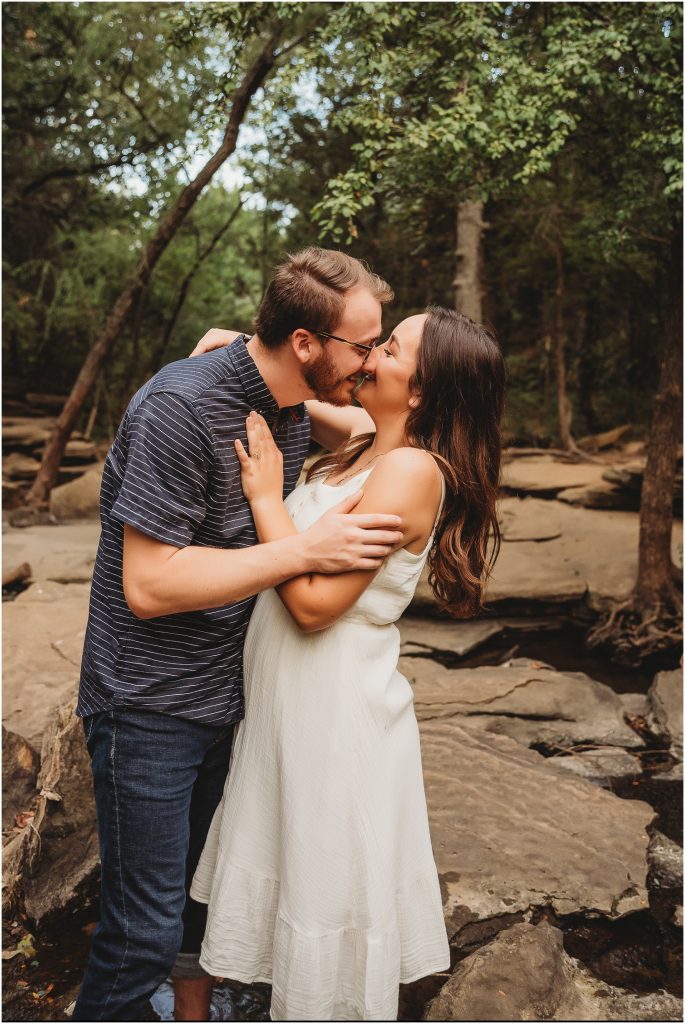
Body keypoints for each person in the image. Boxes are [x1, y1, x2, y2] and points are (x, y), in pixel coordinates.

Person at [72, 248, 406, 1022]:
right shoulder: (180, 408)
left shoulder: (288, 402)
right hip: (148, 706)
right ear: (304, 343)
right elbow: (149, 586)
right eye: (363, 346)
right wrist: (301, 552)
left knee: (196, 908)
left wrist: (247, 356)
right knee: (140, 936)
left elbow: (371, 425)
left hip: (228, 701)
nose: (371, 361)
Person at [189, 306, 506, 1020]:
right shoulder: (365, 443)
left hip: (334, 718)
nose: (367, 355)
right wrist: (236, 350)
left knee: (323, 895)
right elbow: (283, 391)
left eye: (388, 349)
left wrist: (267, 500)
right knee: (294, 874)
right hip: (289, 709)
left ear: (420, 390)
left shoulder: (411, 472)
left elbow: (310, 605)